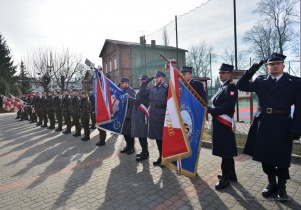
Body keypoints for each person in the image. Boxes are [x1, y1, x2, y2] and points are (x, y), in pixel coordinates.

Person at [236, 53, 301, 202]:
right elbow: (240, 85)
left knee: (282, 158)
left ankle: (282, 187)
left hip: (283, 124)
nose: (275, 66)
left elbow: (300, 107)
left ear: (283, 66)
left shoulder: (295, 82)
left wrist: (297, 128)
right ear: (267, 67)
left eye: (278, 63)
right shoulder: (260, 81)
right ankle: (272, 183)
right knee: (265, 156)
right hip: (263, 123)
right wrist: (252, 69)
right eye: (272, 64)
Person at [207, 63, 238, 190]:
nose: (221, 75)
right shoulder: (222, 87)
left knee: (225, 151)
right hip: (220, 123)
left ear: (230, 74)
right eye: (220, 73)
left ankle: (225, 179)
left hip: (224, 124)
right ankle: (232, 174)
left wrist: (212, 111)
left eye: (224, 73)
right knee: (227, 150)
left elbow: (228, 107)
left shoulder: (230, 87)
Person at [140, 70, 168, 166]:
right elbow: (143, 92)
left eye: (158, 77)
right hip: (153, 115)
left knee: (163, 138)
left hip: (162, 114)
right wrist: (146, 82)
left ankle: (165, 158)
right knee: (157, 137)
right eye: (155, 77)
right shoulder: (153, 88)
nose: (156, 79)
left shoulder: (166, 88)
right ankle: (161, 156)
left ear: (162, 78)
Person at [127, 74, 150, 161]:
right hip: (138, 114)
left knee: (142, 135)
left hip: (142, 115)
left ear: (146, 81)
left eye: (142, 80)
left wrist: (128, 98)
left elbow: (137, 102)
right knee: (140, 135)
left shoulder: (146, 90)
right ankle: (145, 151)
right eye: (140, 80)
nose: (140, 81)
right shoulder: (142, 89)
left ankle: (145, 153)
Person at [119, 77, 136, 155]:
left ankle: (132, 147)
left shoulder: (131, 91)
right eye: (121, 83)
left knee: (129, 133)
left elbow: (132, 104)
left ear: (126, 83)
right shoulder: (123, 91)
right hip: (123, 115)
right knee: (125, 132)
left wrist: (128, 115)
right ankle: (127, 146)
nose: (121, 85)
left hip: (129, 115)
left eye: (123, 83)